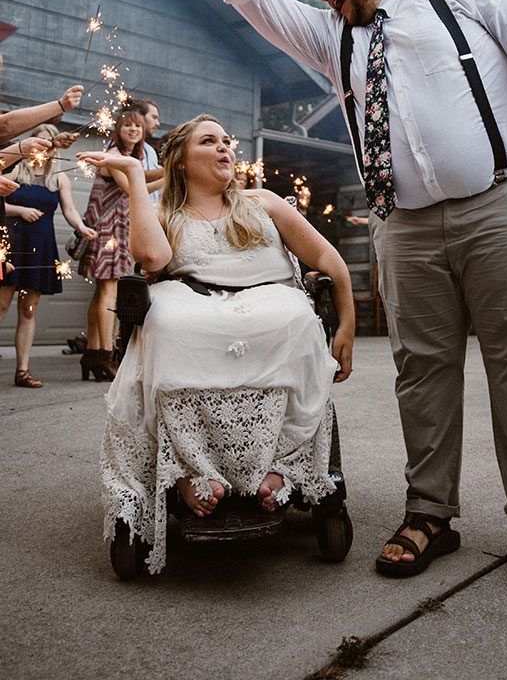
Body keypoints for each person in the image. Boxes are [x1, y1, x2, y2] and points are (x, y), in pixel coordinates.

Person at [190, 0, 507, 593]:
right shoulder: (333, 36)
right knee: (420, 368)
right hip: (406, 225)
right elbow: (262, 1)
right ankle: (431, 513)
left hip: (502, 202)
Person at [79, 114, 354, 574]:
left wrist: (345, 323)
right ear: (181, 162)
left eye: (228, 141)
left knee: (295, 319)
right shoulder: (164, 211)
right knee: (167, 323)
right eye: (210, 141)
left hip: (270, 298)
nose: (226, 147)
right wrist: (131, 177)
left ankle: (280, 467)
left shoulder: (262, 202)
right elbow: (152, 259)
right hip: (192, 298)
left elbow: (327, 257)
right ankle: (190, 472)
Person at [1, 125, 97, 387]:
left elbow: (69, 210)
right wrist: (19, 211)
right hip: (12, 244)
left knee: (29, 311)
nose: (42, 147)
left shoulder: (59, 178)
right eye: (38, 141)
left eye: (47, 143)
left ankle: (22, 371)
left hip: (41, 246)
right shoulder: (13, 170)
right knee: (0, 305)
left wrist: (81, 227)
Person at [77, 110, 146, 380]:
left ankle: (92, 354)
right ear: (118, 129)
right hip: (109, 230)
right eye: (127, 125)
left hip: (113, 228)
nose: (133, 130)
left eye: (138, 126)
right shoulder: (115, 155)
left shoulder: (128, 158)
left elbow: (138, 179)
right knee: (110, 290)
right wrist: (168, 176)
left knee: (101, 293)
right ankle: (106, 356)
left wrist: (163, 176)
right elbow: (130, 187)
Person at [125, 98, 164, 200]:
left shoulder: (150, 151)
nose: (158, 123)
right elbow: (135, 178)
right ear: (140, 117)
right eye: (154, 117)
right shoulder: (118, 148)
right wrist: (168, 172)